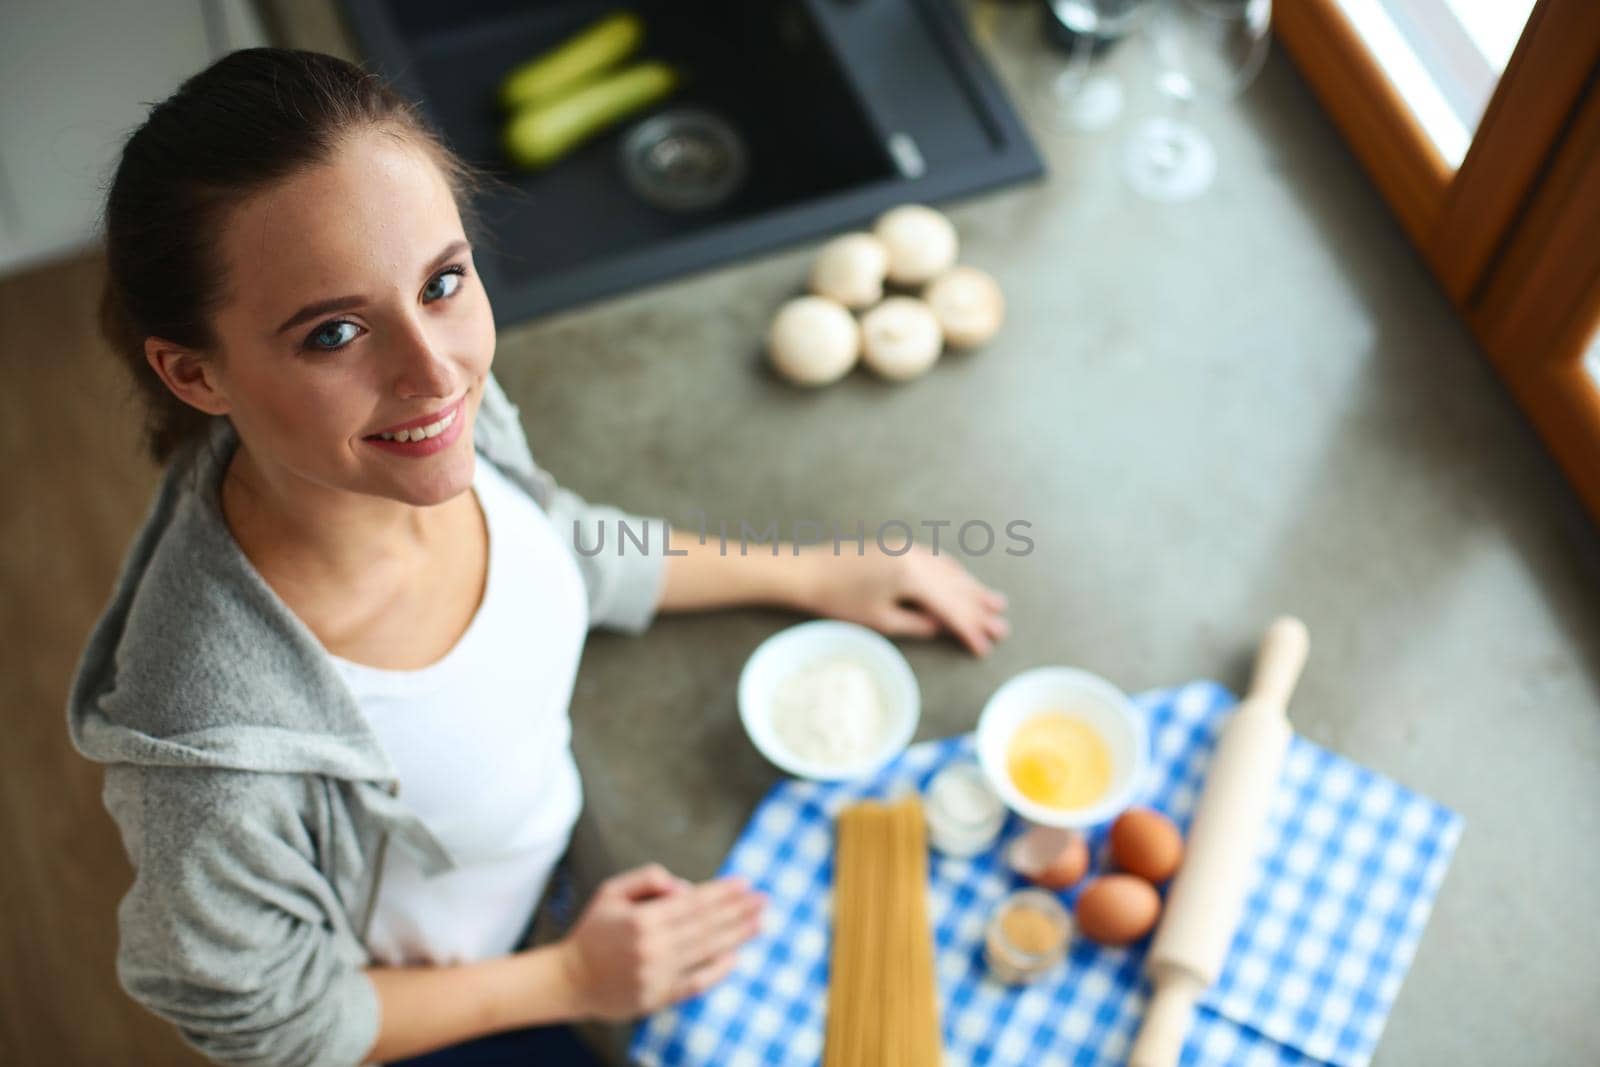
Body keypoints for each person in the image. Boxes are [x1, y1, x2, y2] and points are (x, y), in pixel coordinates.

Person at [67, 48, 1011, 1067]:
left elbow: (561, 540)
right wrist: (569, 978)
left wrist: (812, 572)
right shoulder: (213, 753)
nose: (435, 372)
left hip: (546, 882)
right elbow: (282, 1022)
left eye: (441, 280)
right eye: (335, 332)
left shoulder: (431, 434)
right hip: (451, 1013)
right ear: (193, 372)